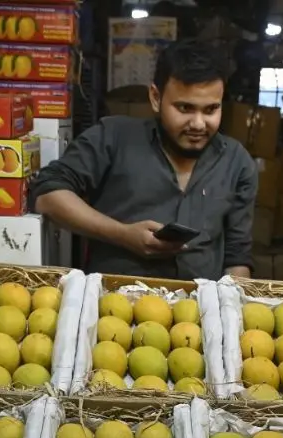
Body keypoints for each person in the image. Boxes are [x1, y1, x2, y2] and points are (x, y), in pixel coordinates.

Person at [29, 40, 256, 280]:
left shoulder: (236, 162)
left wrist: (233, 309)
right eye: (185, 108)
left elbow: (237, 257)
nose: (199, 124)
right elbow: (47, 195)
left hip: (196, 312)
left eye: (211, 110)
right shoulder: (112, 138)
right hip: (114, 308)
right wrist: (122, 234)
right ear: (156, 97)